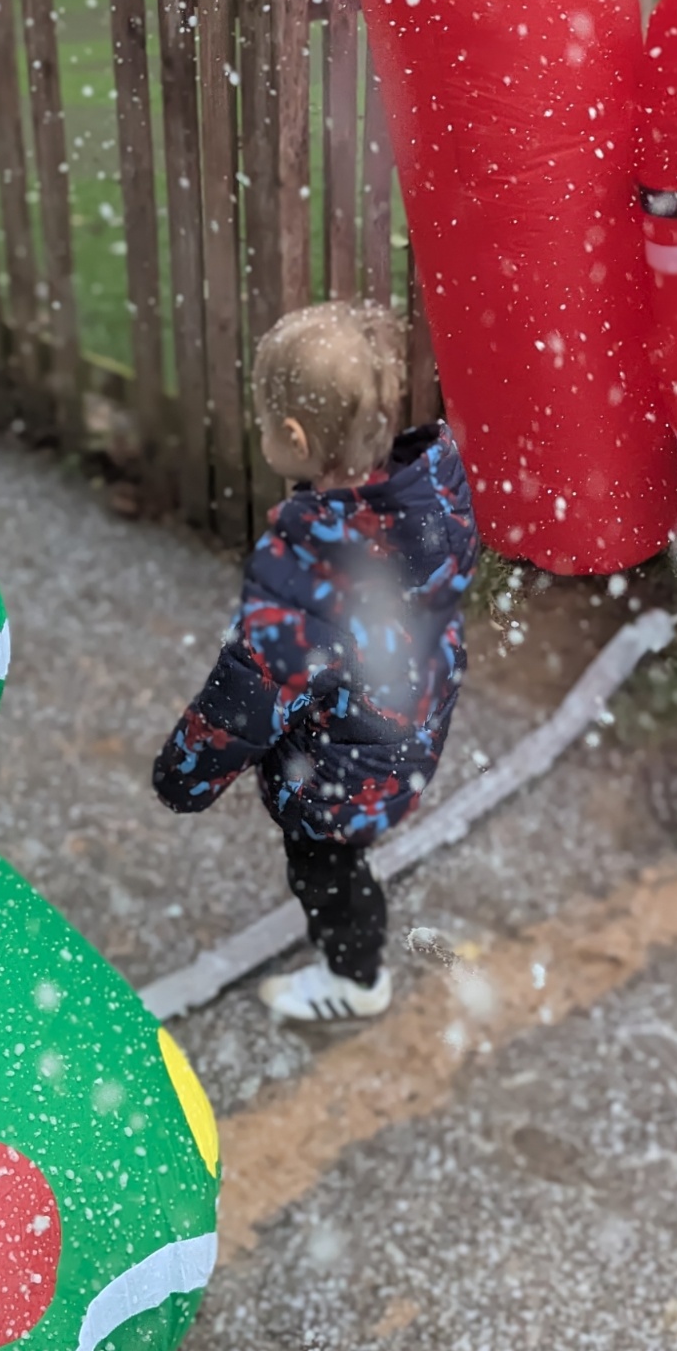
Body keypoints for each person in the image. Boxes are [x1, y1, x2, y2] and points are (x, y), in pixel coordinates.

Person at [152, 300, 478, 1021]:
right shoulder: (426, 501)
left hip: (341, 776)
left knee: (326, 873)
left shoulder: (305, 568)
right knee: (347, 852)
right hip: (409, 727)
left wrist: (184, 775)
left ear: (294, 438)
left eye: (265, 423)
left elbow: (250, 695)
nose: (262, 433)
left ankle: (356, 979)